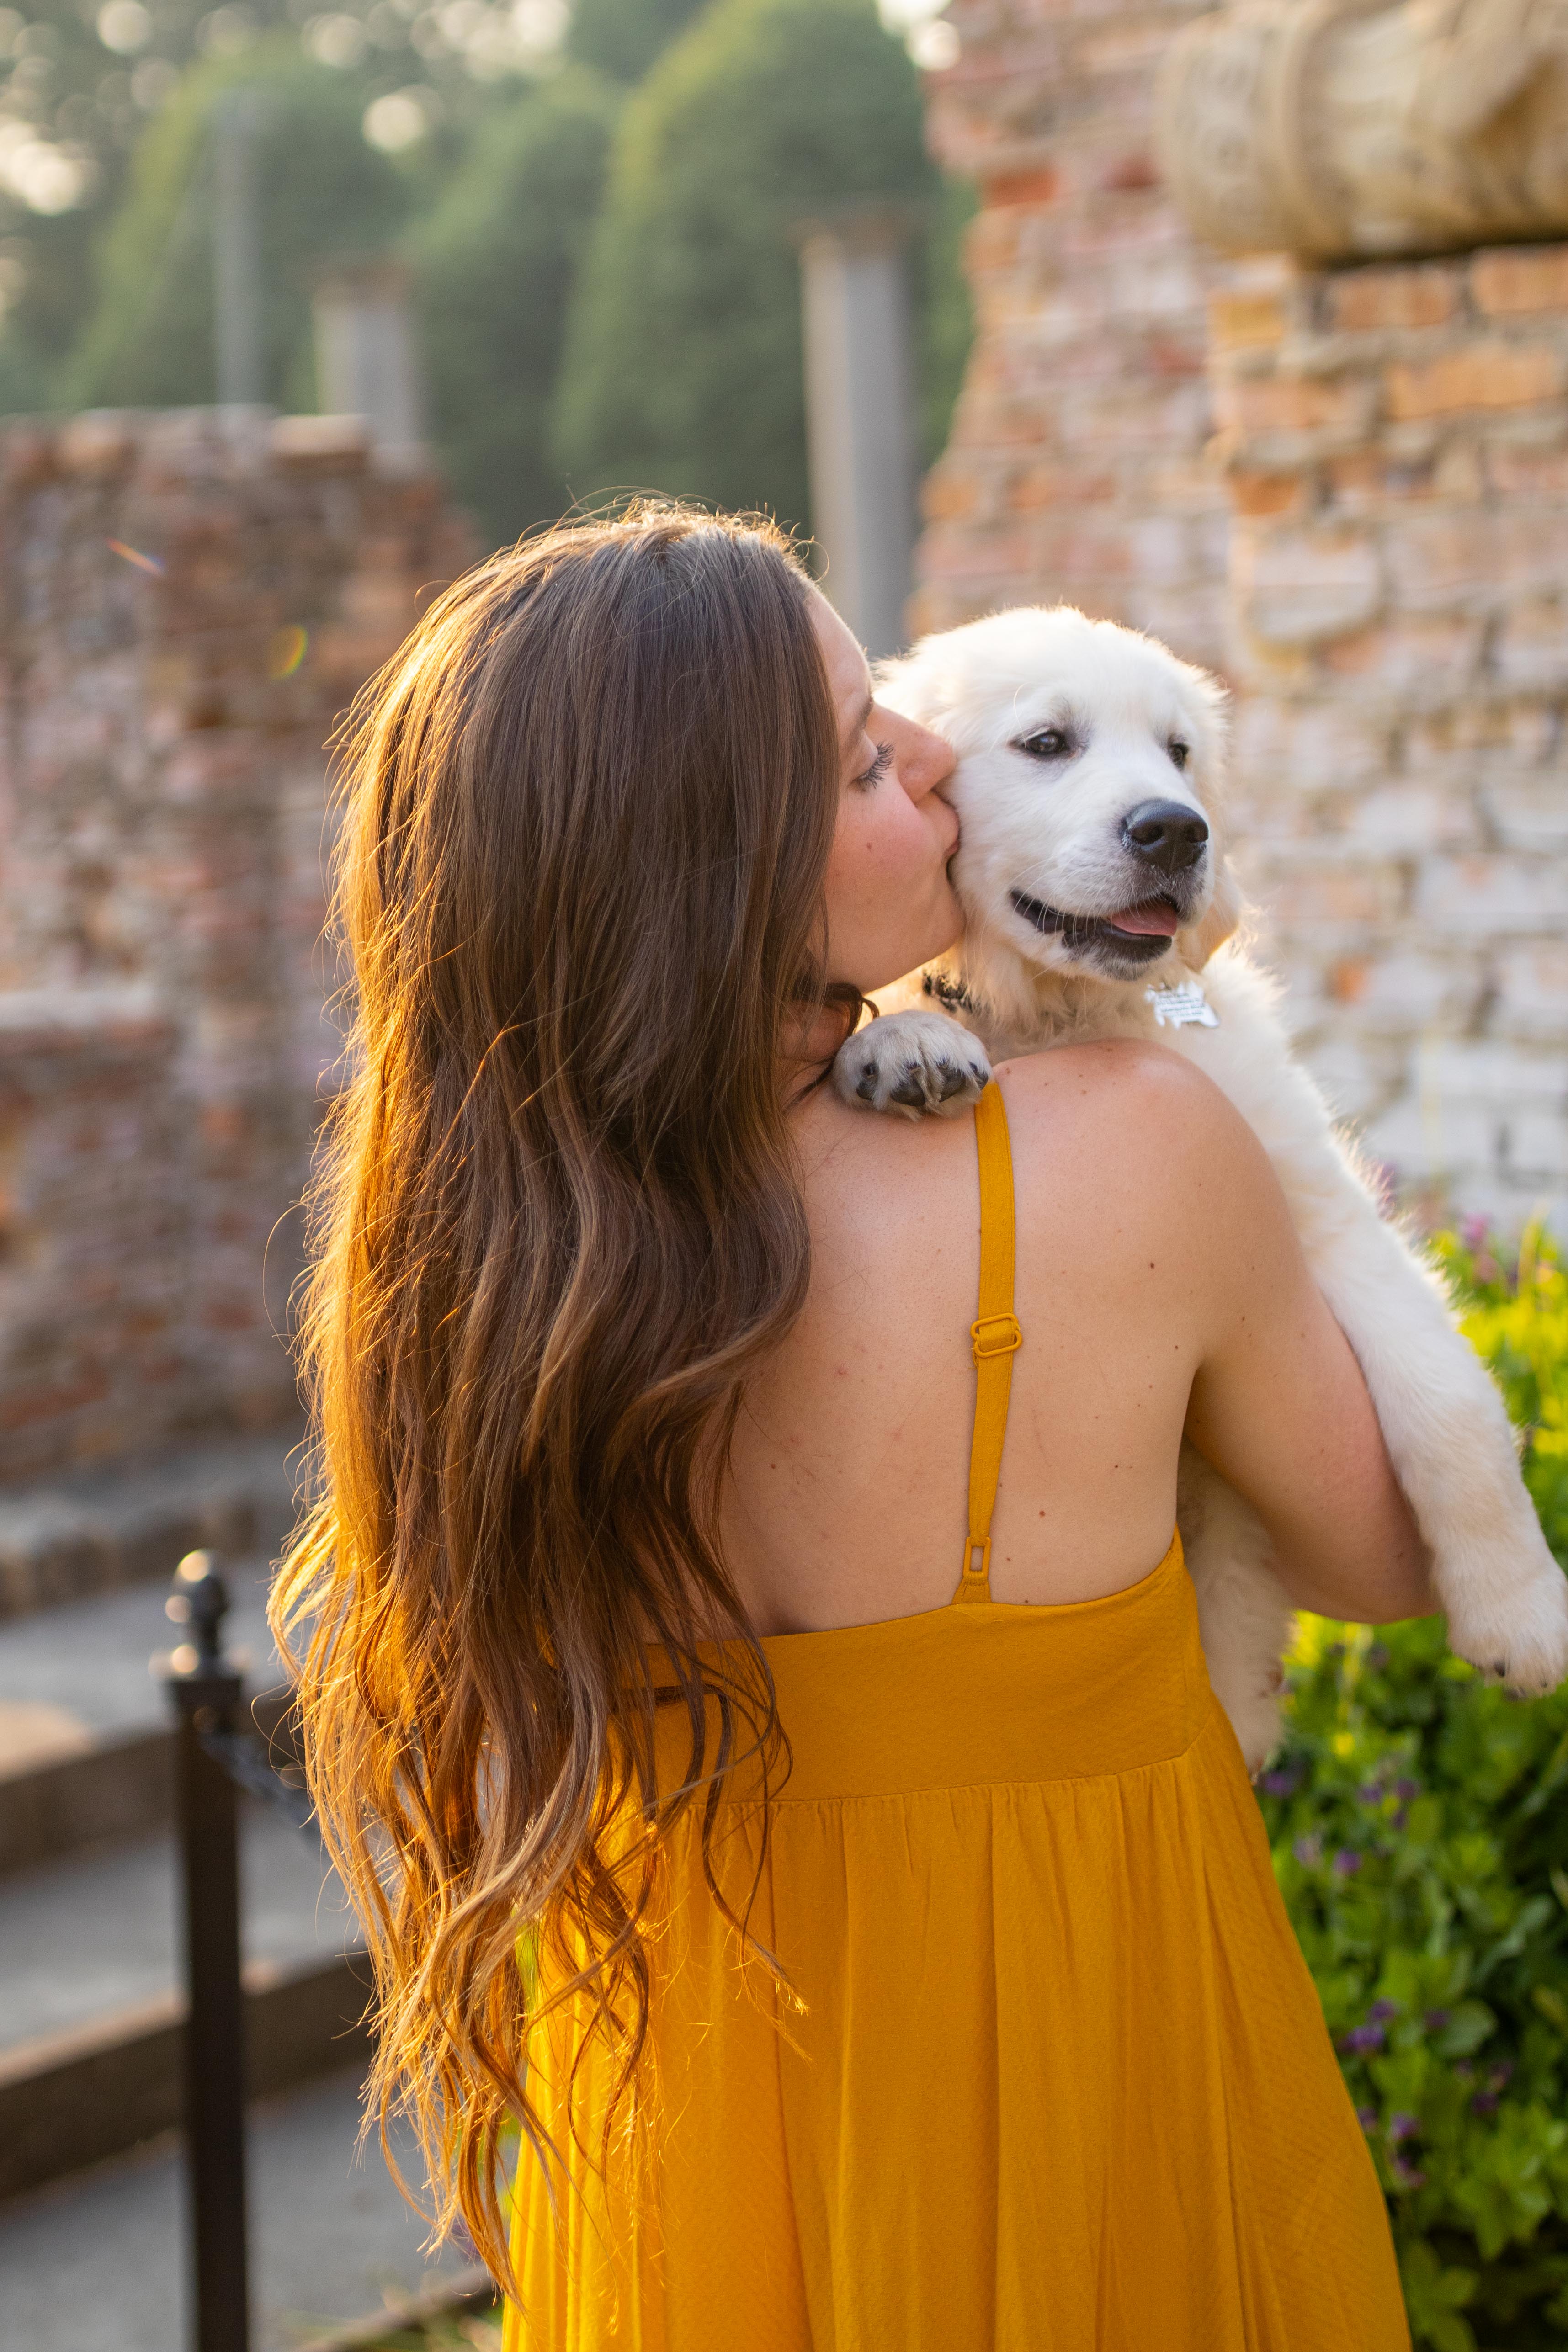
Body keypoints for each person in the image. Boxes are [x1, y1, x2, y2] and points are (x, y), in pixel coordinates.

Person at [272, 505, 1425, 2350]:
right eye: (870, 754)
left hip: (694, 2125)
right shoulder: (1137, 1141)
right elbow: (1379, 1554)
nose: (939, 760)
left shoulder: (478, 1263)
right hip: (1095, 2054)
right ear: (729, 859)